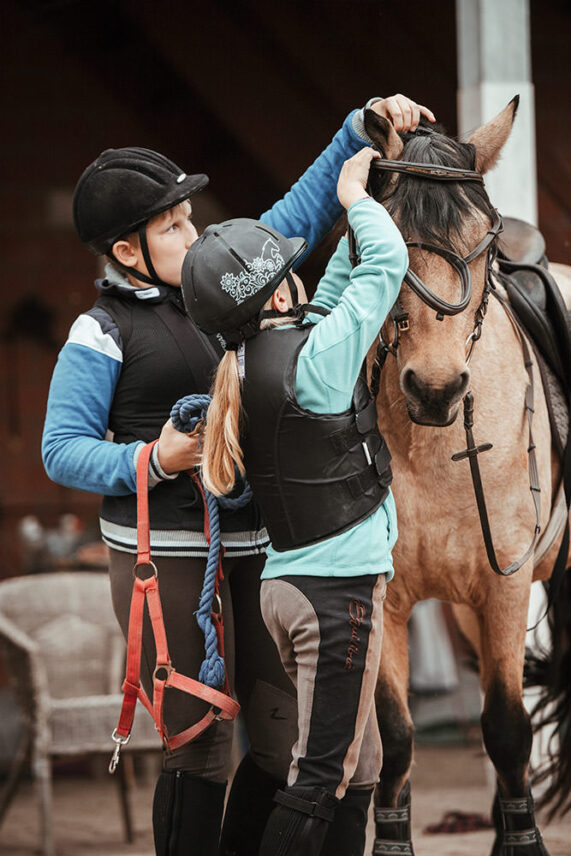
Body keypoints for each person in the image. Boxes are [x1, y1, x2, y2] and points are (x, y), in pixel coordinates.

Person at [42, 95, 433, 856]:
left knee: (279, 739)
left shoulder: (230, 282)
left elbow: (305, 204)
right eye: (172, 226)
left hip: (261, 545)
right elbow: (61, 449)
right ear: (128, 253)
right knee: (198, 746)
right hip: (171, 555)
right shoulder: (101, 330)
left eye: (189, 218)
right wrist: (156, 459)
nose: (194, 233)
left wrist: (361, 126)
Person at [181, 144, 409, 856]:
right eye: (287, 275)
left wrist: (346, 226)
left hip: (291, 589)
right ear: (278, 294)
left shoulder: (250, 363)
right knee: (318, 778)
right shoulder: (315, 359)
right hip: (337, 594)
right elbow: (385, 268)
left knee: (359, 766)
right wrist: (356, 202)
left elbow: (335, 297)